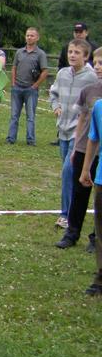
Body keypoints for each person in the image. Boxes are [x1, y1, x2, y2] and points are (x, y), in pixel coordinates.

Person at [57, 47, 102, 250]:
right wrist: (76, 148)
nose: (98, 67)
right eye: (97, 62)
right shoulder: (89, 91)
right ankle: (72, 232)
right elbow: (83, 118)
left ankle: (96, 238)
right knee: (79, 191)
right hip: (85, 147)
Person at [49, 39, 95, 228]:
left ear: (85, 56)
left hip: (80, 133)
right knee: (68, 173)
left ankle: (66, 215)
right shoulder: (62, 74)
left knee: (68, 171)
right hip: (63, 129)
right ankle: (71, 211)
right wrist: (56, 106)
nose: (72, 55)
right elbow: (53, 93)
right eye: (70, 52)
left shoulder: (91, 77)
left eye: (77, 52)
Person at [6, 27, 49, 145]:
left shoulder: (40, 54)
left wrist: (35, 85)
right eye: (27, 35)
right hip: (17, 88)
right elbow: (14, 67)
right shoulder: (19, 52)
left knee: (30, 116)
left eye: (32, 35)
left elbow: (45, 71)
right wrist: (13, 83)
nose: (29, 37)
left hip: (31, 89)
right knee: (14, 115)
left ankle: (30, 140)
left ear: (37, 38)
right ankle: (11, 138)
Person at [78, 98, 102, 296]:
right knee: (100, 234)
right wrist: (86, 169)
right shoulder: (99, 107)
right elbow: (94, 139)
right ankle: (100, 279)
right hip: (101, 179)